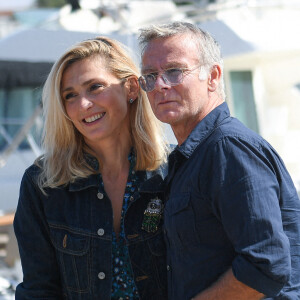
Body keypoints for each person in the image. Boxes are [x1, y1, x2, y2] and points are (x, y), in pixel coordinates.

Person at [138, 21, 300, 300]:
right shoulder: (193, 156)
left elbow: (265, 263)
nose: (160, 85)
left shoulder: (228, 148)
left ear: (213, 76)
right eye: (150, 76)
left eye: (174, 71)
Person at [13, 36, 169, 299]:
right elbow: (39, 290)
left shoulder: (172, 172)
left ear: (131, 88)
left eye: (95, 87)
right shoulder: (43, 185)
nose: (83, 104)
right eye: (70, 95)